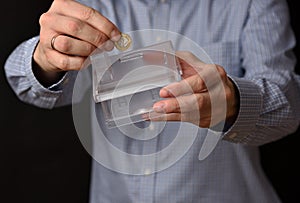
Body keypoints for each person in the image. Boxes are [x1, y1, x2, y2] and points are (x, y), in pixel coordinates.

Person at [4, 0, 300, 202]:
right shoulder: (93, 4)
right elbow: (27, 86)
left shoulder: (251, 4)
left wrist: (233, 101)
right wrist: (46, 58)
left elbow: (288, 105)